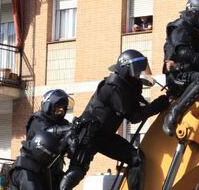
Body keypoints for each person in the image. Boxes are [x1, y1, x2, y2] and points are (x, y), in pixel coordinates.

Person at [59, 49, 169, 190]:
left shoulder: (129, 87)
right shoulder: (111, 87)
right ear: (126, 69)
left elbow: (138, 109)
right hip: (89, 136)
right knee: (76, 172)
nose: (138, 75)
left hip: (106, 137)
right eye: (136, 71)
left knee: (137, 159)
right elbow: (133, 116)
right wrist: (158, 105)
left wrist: (160, 102)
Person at [162, 0, 199, 137]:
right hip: (177, 75)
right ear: (195, 14)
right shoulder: (179, 28)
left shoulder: (196, 27)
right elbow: (182, 52)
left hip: (190, 70)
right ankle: (174, 113)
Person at [10, 89, 74, 190]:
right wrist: (70, 129)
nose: (61, 111)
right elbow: (48, 133)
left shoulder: (63, 124)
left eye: (63, 108)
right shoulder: (37, 120)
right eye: (58, 107)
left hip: (50, 174)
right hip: (29, 170)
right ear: (48, 106)